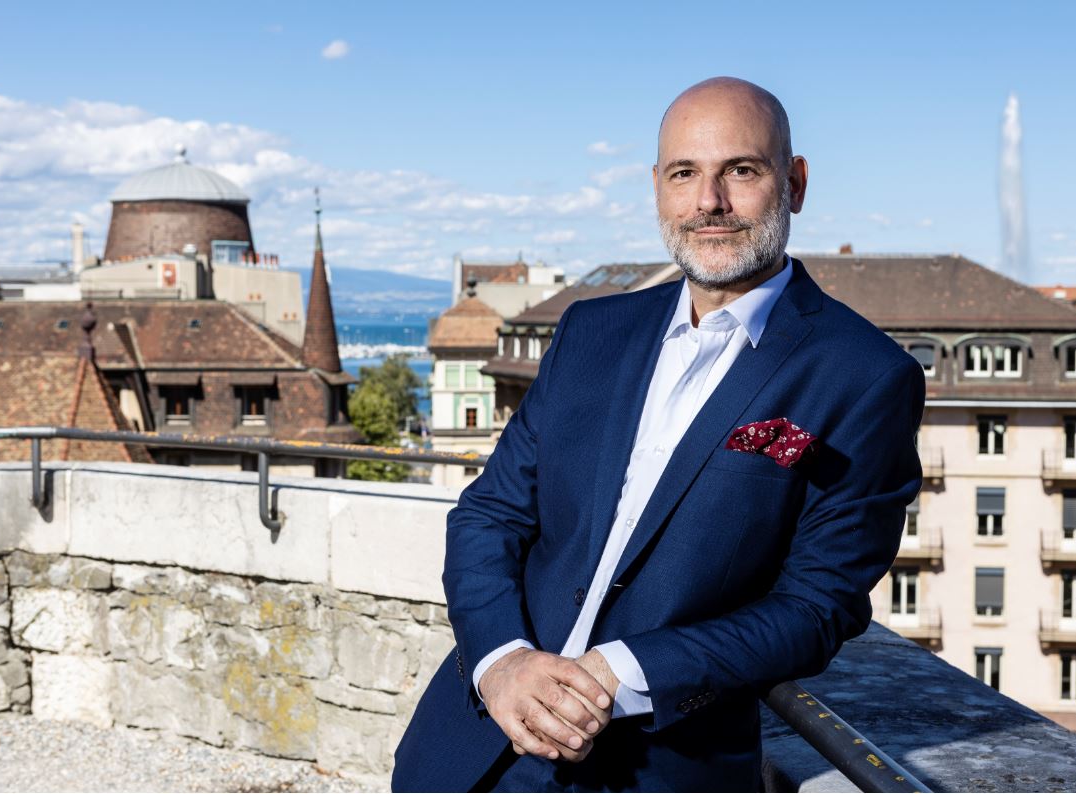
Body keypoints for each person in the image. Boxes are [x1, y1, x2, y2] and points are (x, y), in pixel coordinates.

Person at [393, 77, 925, 792]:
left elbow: (818, 606)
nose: (709, 201)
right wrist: (501, 661)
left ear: (794, 183)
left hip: (654, 763)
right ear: (656, 188)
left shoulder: (863, 375)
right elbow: (490, 515)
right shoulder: (591, 332)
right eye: (684, 174)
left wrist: (624, 671)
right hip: (476, 746)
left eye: (741, 170)